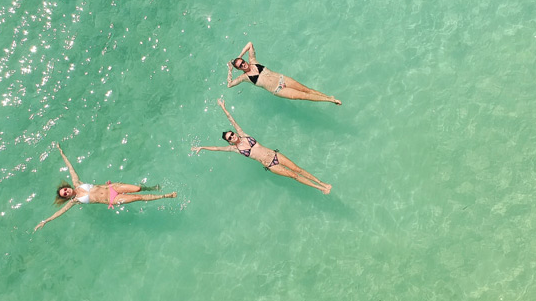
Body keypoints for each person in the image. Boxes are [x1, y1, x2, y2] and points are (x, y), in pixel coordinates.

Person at [191, 99, 331, 193]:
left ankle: (322, 183)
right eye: (230, 138)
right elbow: (217, 148)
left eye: (232, 134)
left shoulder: (243, 134)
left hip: (274, 154)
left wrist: (223, 107)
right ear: (230, 142)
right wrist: (202, 147)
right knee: (293, 175)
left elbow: (232, 120)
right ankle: (319, 188)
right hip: (270, 165)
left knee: (297, 168)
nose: (233, 136)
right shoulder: (235, 149)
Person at [34, 143, 176, 231]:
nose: (66, 191)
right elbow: (60, 212)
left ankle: (151, 188)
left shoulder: (77, 183)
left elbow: (70, 168)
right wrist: (46, 221)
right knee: (138, 198)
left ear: (67, 187)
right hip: (113, 200)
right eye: (65, 194)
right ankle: (166, 195)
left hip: (112, 187)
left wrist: (61, 153)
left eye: (65, 189)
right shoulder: (74, 201)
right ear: (66, 197)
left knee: (138, 189)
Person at [227, 41, 341, 104]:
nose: (243, 64)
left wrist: (239, 56)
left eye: (242, 62)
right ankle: (330, 100)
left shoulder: (253, 61)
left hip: (282, 78)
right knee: (303, 96)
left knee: (307, 89)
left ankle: (328, 96)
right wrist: (230, 70)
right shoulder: (245, 77)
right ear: (239, 69)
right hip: (278, 90)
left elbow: (250, 44)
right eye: (240, 66)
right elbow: (229, 84)